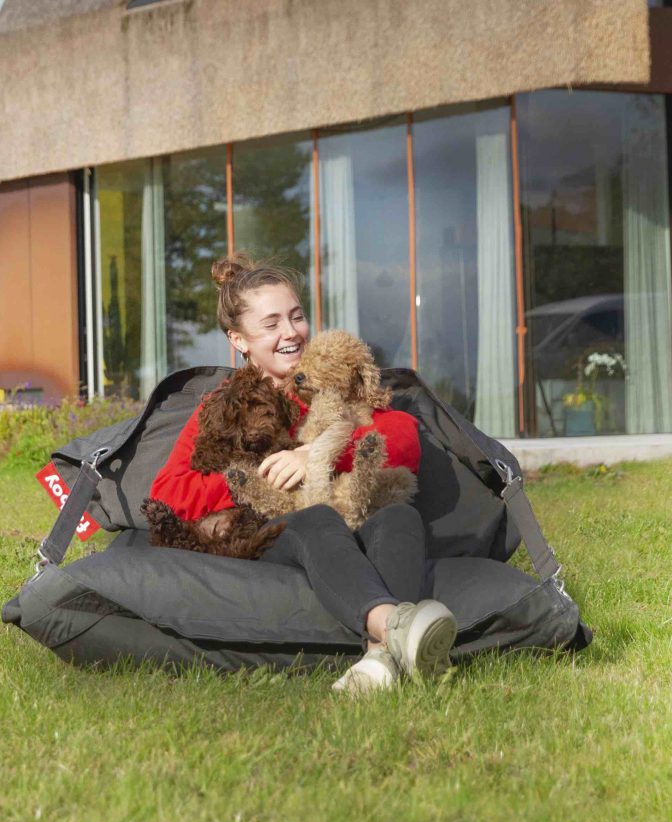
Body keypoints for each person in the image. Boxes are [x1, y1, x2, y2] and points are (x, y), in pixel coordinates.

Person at [150, 253, 458, 695]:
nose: (291, 332)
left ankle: (379, 662)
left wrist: (317, 452)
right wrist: (257, 477)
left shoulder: (330, 382)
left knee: (399, 518)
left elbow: (403, 437)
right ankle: (396, 626)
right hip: (279, 529)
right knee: (315, 521)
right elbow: (167, 493)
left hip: (352, 516)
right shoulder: (222, 407)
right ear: (239, 339)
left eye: (296, 317)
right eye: (271, 324)